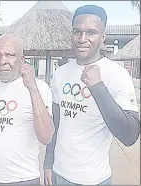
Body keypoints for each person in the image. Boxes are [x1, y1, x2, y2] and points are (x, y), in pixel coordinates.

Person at [43, 5, 140, 185]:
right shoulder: (61, 73)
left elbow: (130, 135)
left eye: (91, 33)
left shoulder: (116, 75)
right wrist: (48, 162)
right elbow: (56, 122)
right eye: (77, 32)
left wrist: (98, 87)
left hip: (93, 179)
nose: (82, 39)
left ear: (102, 37)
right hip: (58, 174)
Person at [0, 34, 55, 185]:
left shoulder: (39, 88)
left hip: (23, 179)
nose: (2, 61)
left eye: (9, 55)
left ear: (22, 60)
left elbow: (46, 137)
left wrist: (32, 88)